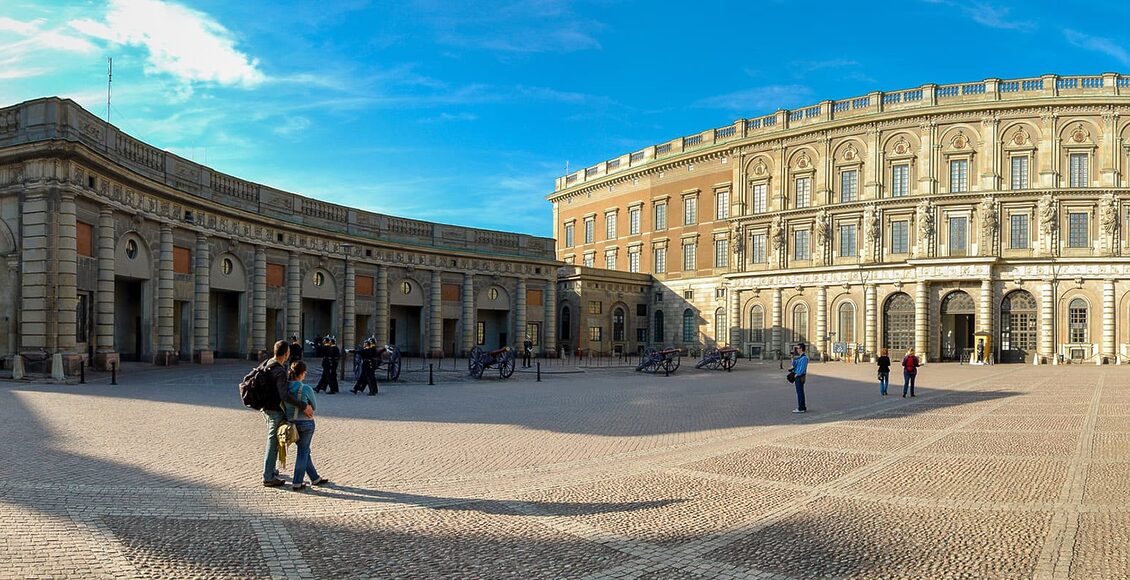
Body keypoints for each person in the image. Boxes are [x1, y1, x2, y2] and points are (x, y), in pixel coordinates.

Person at [260, 340, 313, 487]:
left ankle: (271, 470)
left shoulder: (267, 363)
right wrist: (303, 406)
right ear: (287, 353)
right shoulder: (279, 370)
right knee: (273, 442)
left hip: (265, 408)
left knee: (274, 440)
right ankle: (268, 476)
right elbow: (284, 395)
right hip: (275, 410)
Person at [283, 360, 329, 491]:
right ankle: (297, 482)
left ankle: (315, 478)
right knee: (303, 452)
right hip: (306, 423)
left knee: (305, 450)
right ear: (302, 373)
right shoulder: (306, 388)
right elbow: (314, 406)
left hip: (291, 423)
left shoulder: (285, 388)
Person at [790, 343, 809, 413]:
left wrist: (797, 374)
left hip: (800, 377)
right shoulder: (799, 357)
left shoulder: (804, 358)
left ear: (801, 348)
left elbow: (802, 368)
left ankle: (801, 408)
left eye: (798, 348)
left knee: (800, 392)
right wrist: (792, 357)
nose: (797, 349)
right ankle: (802, 407)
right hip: (798, 376)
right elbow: (793, 364)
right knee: (800, 392)